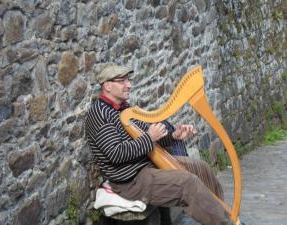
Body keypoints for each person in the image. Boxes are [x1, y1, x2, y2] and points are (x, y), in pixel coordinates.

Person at [85, 64, 235, 225]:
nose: (128, 85)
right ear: (107, 86)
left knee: (202, 168)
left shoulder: (125, 109)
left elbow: (152, 137)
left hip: (147, 165)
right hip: (130, 180)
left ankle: (225, 214)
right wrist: (149, 138)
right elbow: (116, 154)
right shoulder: (99, 114)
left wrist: (173, 136)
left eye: (128, 80)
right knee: (188, 183)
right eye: (122, 81)